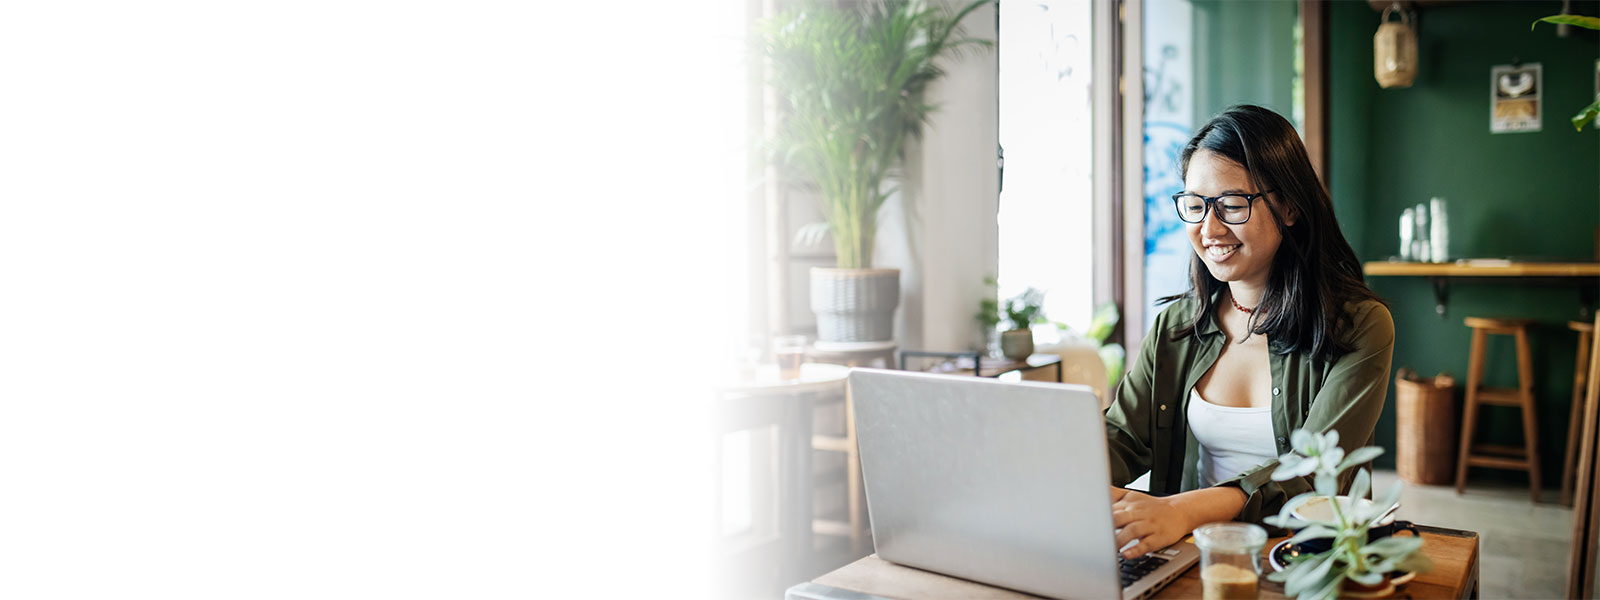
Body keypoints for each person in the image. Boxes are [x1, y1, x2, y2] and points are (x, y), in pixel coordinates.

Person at [1103, 105, 1394, 559]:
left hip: (1308, 560)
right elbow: (1122, 437)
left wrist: (1183, 510)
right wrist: (1066, 478)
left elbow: (1316, 474)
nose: (1209, 228)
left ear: (1291, 206)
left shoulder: (1359, 326)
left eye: (1233, 205)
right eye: (1195, 205)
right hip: (1194, 556)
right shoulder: (1176, 327)